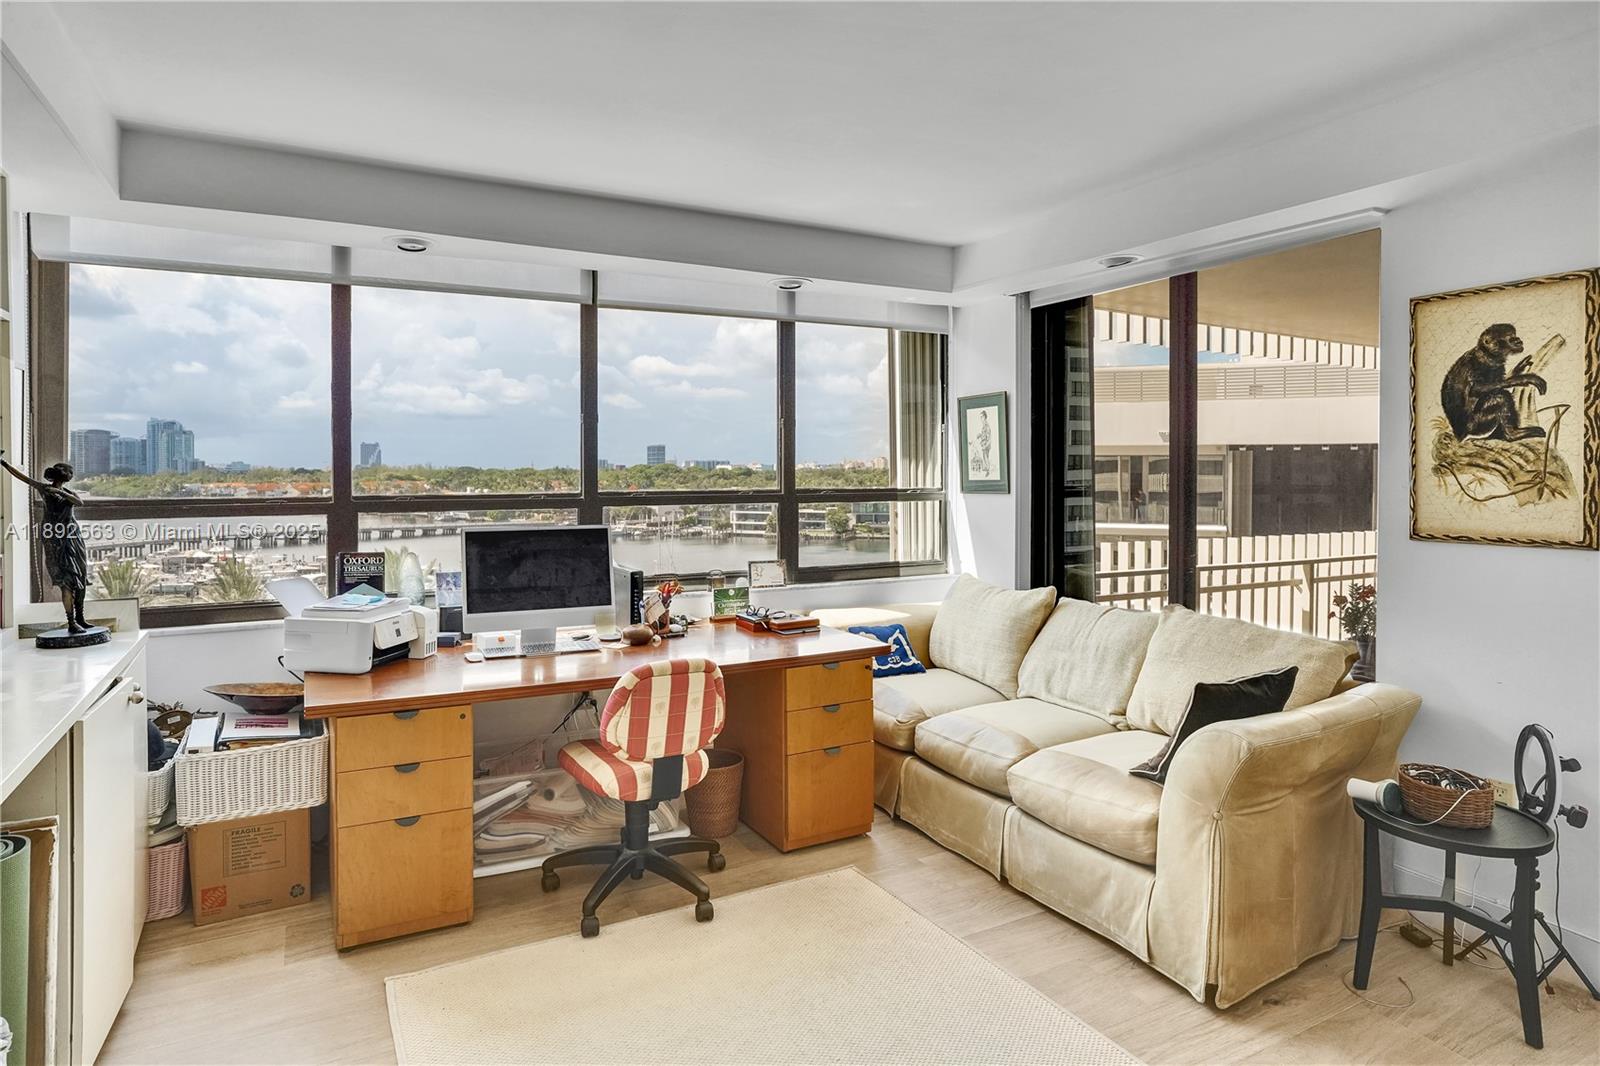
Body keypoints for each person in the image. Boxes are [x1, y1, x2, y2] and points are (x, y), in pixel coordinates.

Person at [0, 455, 93, 633]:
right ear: (62, 475)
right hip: (55, 538)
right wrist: (3, 463)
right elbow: (22, 477)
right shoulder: (44, 489)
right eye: (70, 472)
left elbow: (79, 502)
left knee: (80, 577)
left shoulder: (68, 493)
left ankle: (80, 618)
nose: (71, 475)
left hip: (73, 537)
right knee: (66, 581)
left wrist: (60, 492)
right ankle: (72, 622)